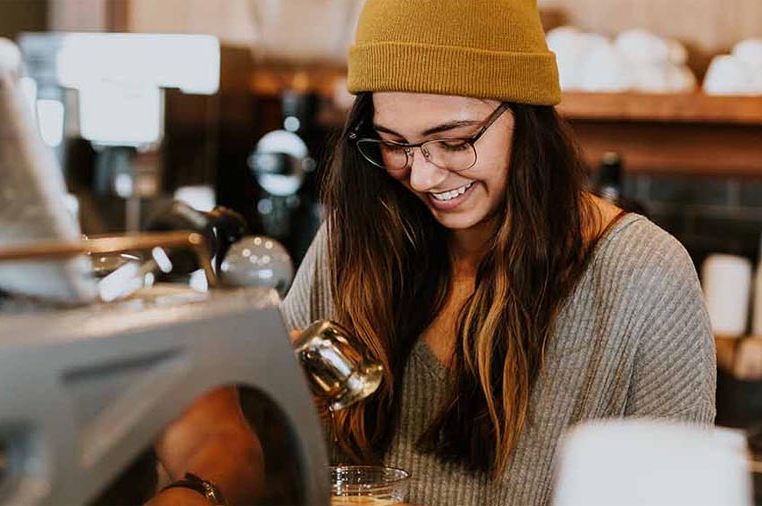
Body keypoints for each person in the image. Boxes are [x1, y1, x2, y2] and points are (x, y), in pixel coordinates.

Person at [280, 0, 716, 505]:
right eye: (393, 143)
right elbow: (266, 451)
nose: (422, 176)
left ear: (527, 118)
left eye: (455, 141)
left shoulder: (644, 276)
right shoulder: (352, 242)